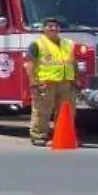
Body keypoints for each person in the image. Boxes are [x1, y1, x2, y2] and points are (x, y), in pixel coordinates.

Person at [27, 16, 76, 146]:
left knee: (66, 111)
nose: (53, 28)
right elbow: (30, 64)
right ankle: (39, 136)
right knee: (42, 110)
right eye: (49, 26)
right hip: (46, 82)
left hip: (66, 82)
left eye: (55, 26)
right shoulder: (37, 44)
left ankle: (63, 135)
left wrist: (76, 80)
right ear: (43, 29)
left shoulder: (68, 43)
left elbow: (73, 63)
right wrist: (33, 81)